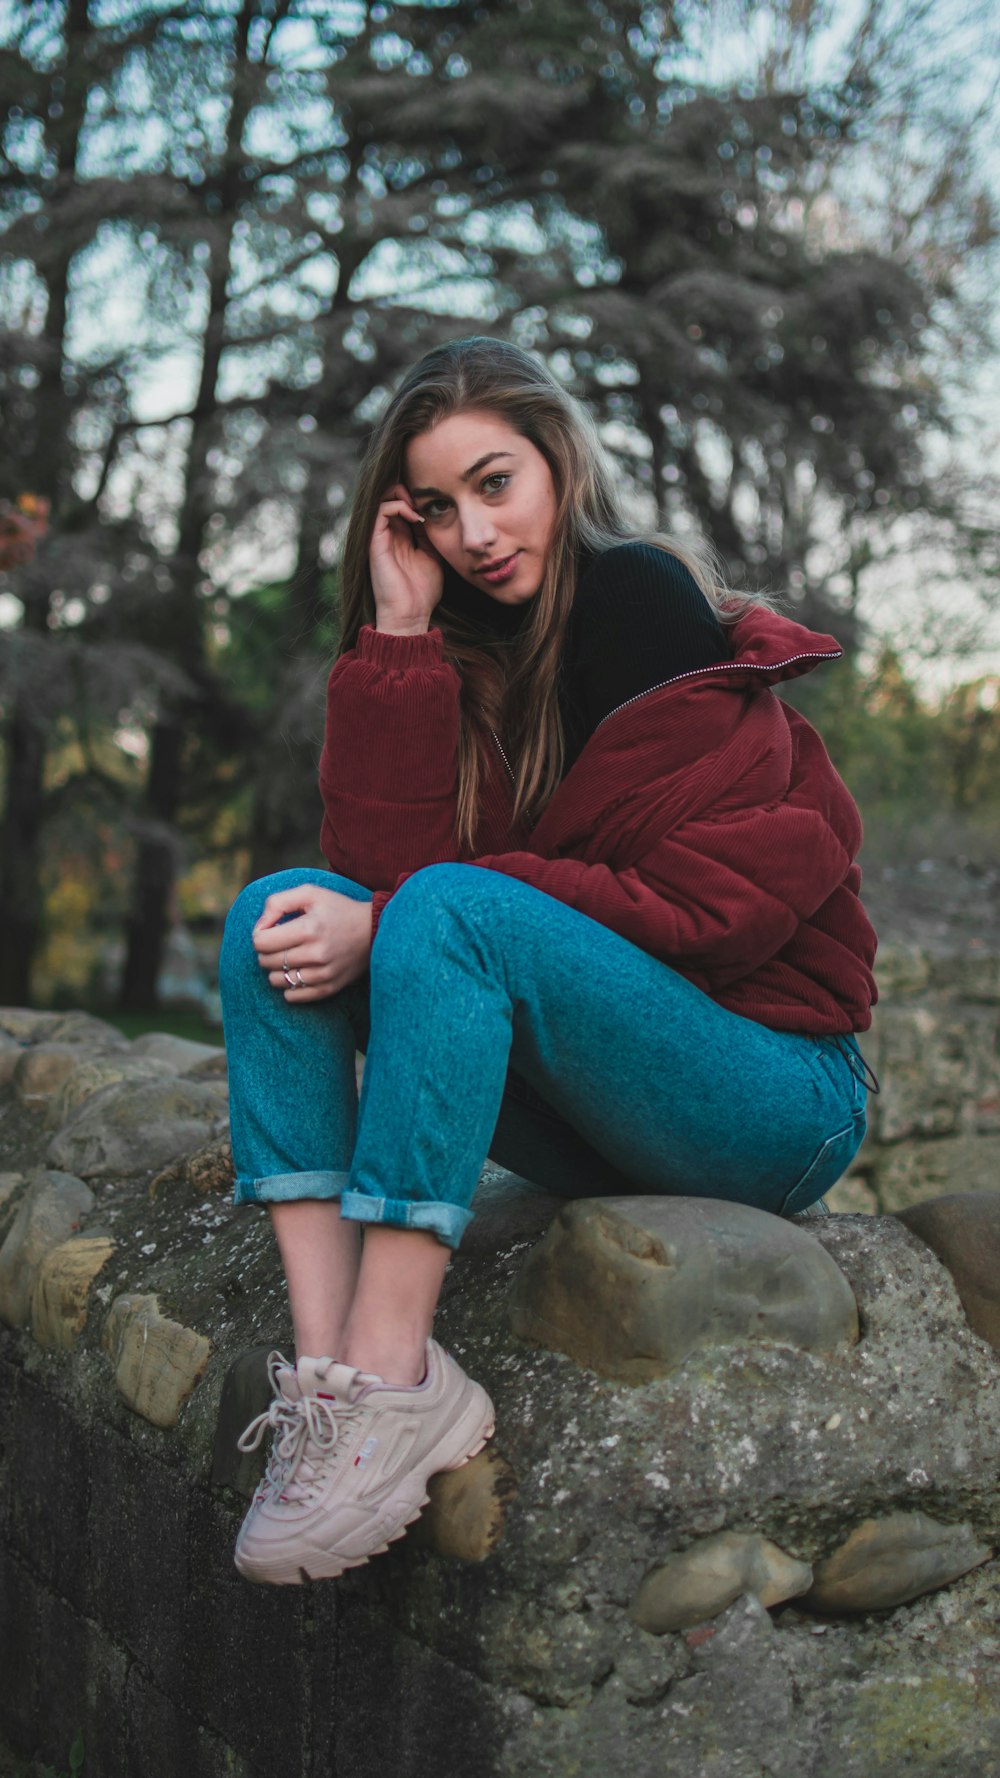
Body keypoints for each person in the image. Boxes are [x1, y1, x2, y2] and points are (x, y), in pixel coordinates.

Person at [219, 335, 877, 1588]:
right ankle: (332, 1390)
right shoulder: (471, 655)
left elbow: (709, 911)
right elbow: (376, 882)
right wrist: (403, 640)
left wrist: (411, 911)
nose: (472, 530)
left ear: (558, 463)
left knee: (440, 910)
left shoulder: (647, 608)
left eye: (495, 481)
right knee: (280, 912)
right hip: (599, 1091)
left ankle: (392, 1366)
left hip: (773, 1091)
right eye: (436, 507)